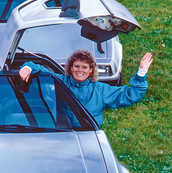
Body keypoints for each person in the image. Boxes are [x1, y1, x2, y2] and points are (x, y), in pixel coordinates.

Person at [19, 50, 152, 127]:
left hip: (88, 137)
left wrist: (141, 72)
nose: (80, 70)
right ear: (70, 68)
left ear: (90, 71)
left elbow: (130, 95)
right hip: (61, 134)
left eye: (84, 67)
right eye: (76, 66)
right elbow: (39, 69)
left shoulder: (100, 90)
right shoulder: (60, 81)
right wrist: (27, 68)